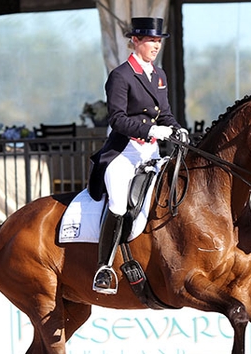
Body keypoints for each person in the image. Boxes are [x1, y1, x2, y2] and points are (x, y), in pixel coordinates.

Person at [88, 17, 186, 294]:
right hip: (124, 151)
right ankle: (103, 268)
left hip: (151, 151)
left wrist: (177, 129)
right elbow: (117, 119)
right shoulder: (120, 76)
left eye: (158, 41)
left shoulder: (159, 75)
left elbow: (165, 113)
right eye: (151, 41)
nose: (156, 46)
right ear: (136, 41)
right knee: (119, 203)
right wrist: (152, 129)